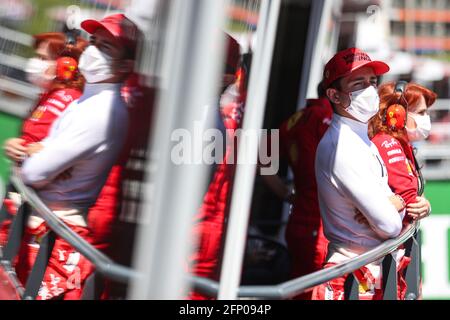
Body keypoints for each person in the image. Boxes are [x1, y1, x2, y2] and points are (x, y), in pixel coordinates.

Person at [16, 13, 141, 300]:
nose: (93, 51)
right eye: (94, 42)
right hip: (43, 227)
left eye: (106, 48)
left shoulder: (103, 111)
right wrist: (36, 156)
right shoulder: (90, 100)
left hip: (56, 236)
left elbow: (34, 172)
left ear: (126, 65)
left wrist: (34, 157)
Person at [312, 48, 409, 300]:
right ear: (334, 95)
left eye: (372, 82)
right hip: (351, 278)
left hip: (367, 272)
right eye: (358, 84)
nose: (370, 90)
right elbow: (389, 224)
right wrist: (393, 205)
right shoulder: (341, 146)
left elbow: (391, 213)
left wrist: (391, 205)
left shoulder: (359, 138)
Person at [0, 31, 87, 245]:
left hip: (37, 205)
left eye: (42, 58)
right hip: (23, 196)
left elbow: (57, 149)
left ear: (66, 64)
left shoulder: (69, 100)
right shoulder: (48, 95)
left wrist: (28, 149)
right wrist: (17, 146)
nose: (35, 64)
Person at [262, 81, 332, 299]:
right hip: (322, 226)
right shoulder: (332, 121)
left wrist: (286, 194)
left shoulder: (296, 119)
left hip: (299, 220)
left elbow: (263, 160)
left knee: (299, 291)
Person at [188, 34, 243, 300]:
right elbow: (267, 166)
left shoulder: (208, 115)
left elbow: (267, 165)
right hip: (212, 223)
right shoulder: (210, 111)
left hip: (203, 225)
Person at [369, 82, 435, 222]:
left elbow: (413, 195)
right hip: (393, 240)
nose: (426, 117)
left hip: (401, 237)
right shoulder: (387, 143)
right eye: (421, 112)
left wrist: (425, 205)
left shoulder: (402, 143)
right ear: (398, 113)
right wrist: (425, 205)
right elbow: (411, 203)